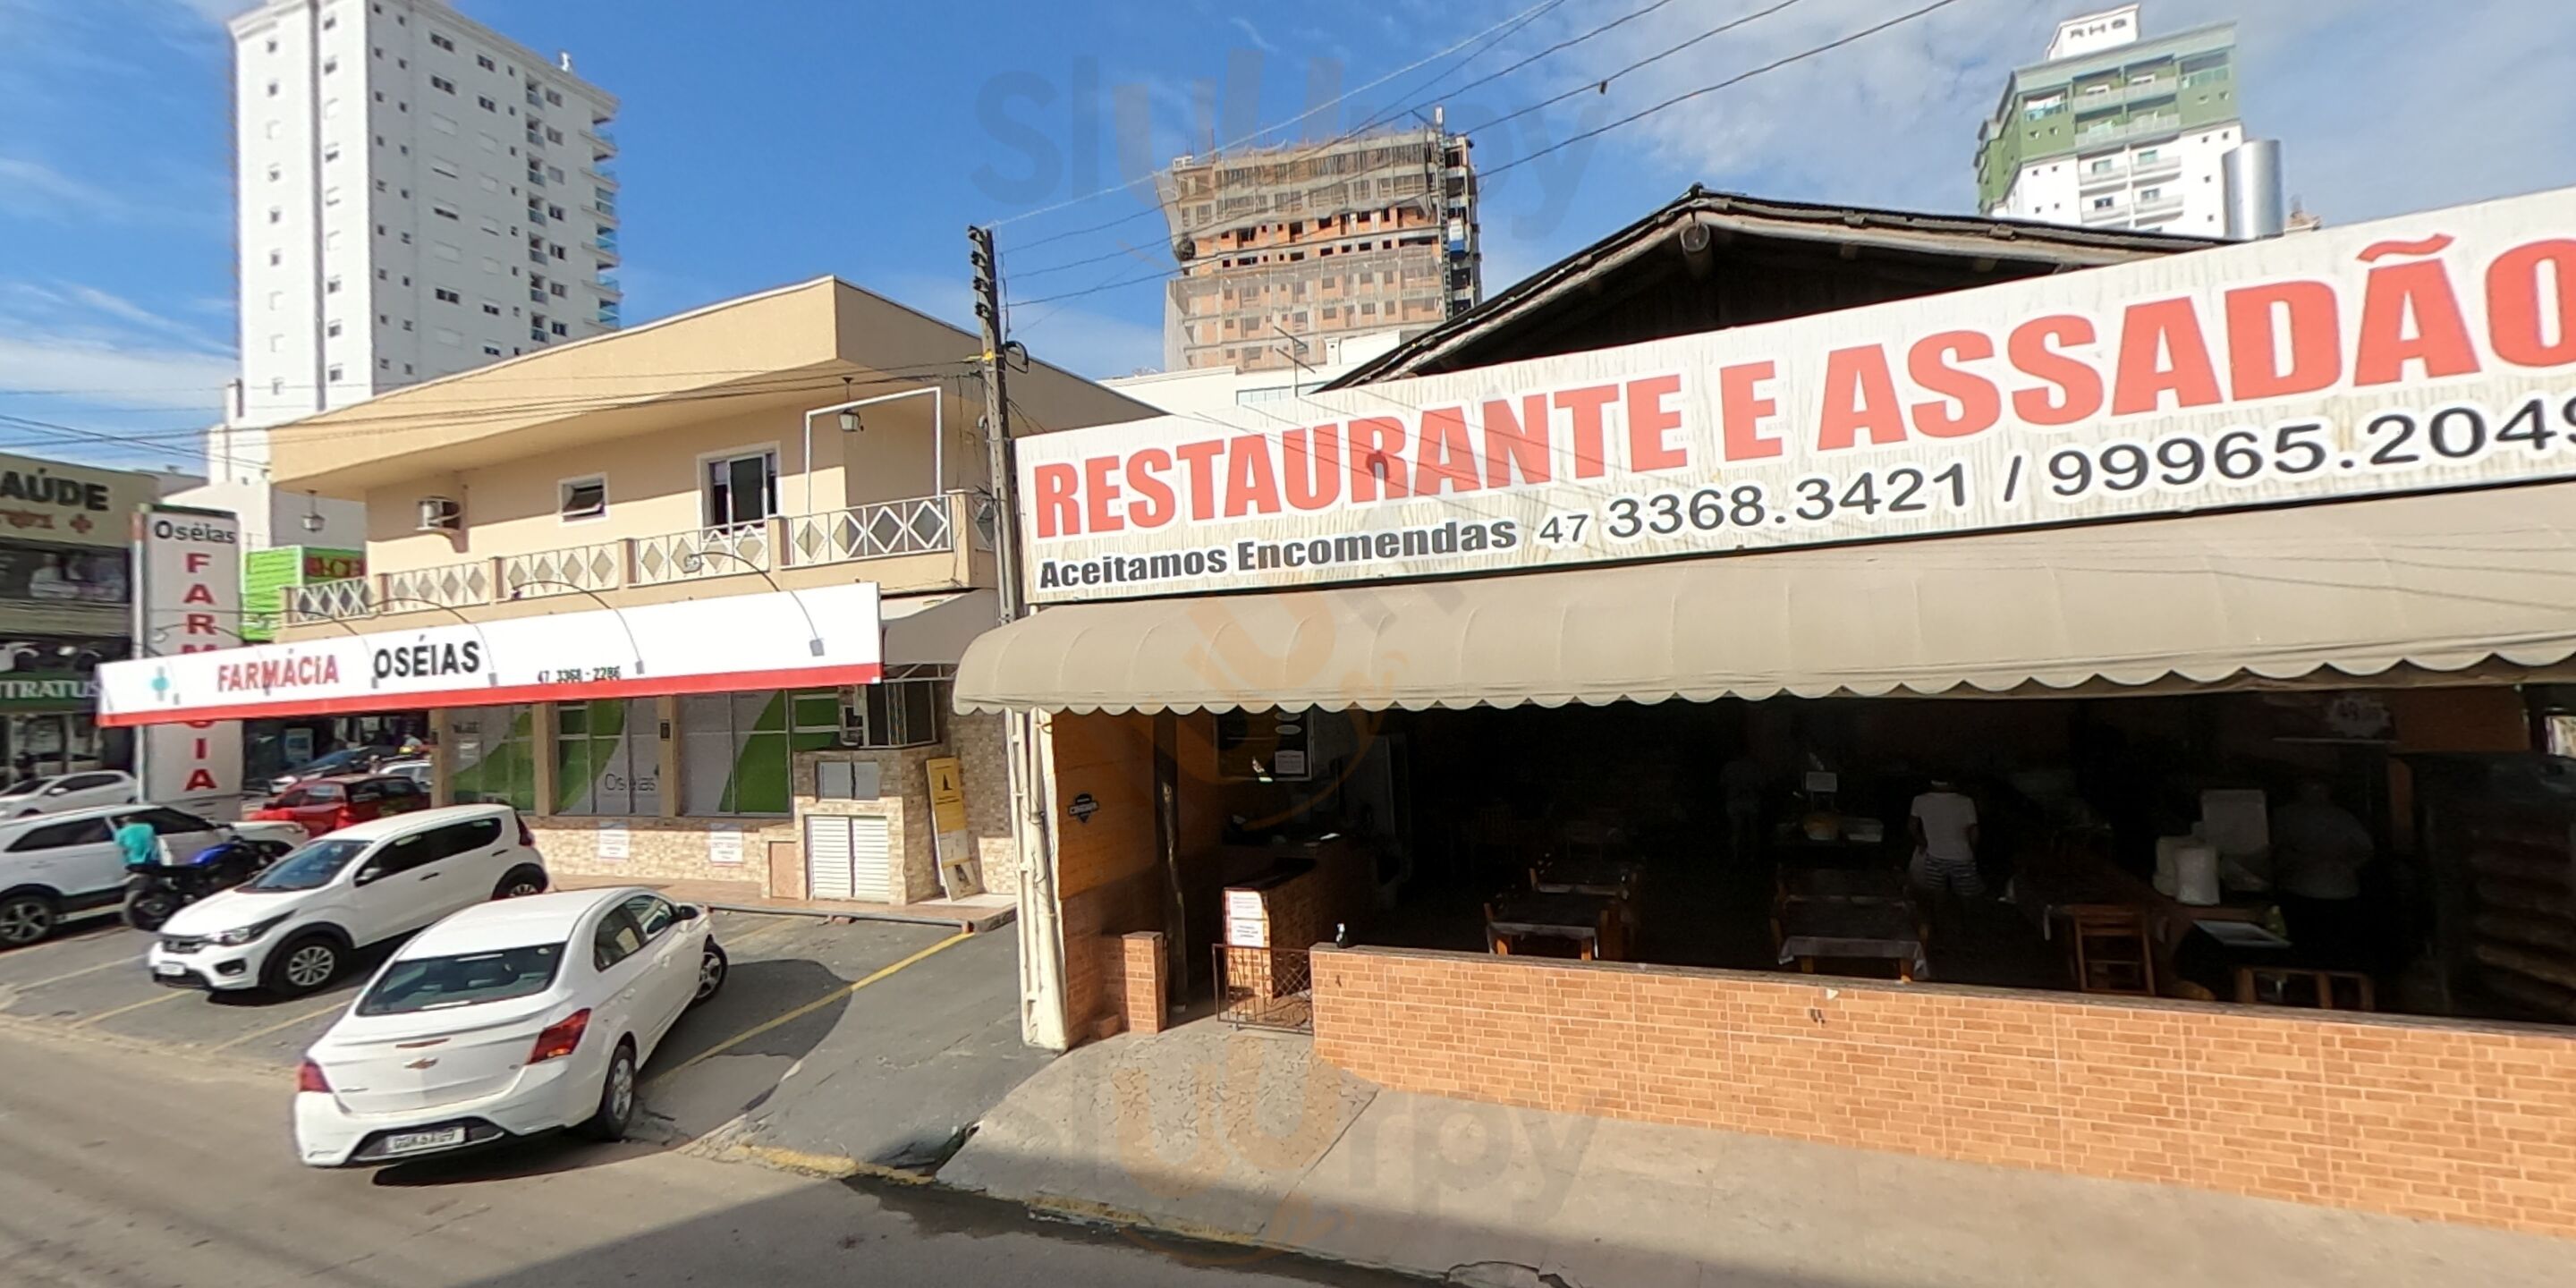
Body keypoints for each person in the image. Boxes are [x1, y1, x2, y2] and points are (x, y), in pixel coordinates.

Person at [2269, 780, 2375, 966]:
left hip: (2319, 887)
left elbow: (2366, 851)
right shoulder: (2288, 814)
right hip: (2316, 887)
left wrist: (2342, 866)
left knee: (2313, 943)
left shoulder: (2340, 816)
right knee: (2328, 945)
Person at [1908, 778, 1982, 901]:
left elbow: (1912, 826)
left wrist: (1923, 842)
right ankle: (1965, 919)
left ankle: (1940, 918)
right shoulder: (1965, 801)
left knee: (1937, 895)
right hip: (1961, 855)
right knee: (1968, 896)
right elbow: (1974, 831)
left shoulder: (1920, 800)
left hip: (1933, 855)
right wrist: (1972, 850)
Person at [1719, 752, 1764, 862]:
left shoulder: (1728, 767)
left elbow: (1722, 784)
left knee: (1735, 830)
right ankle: (1753, 856)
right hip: (1751, 800)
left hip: (1733, 800)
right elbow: (1762, 785)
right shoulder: (1754, 767)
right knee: (1753, 829)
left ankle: (1735, 855)